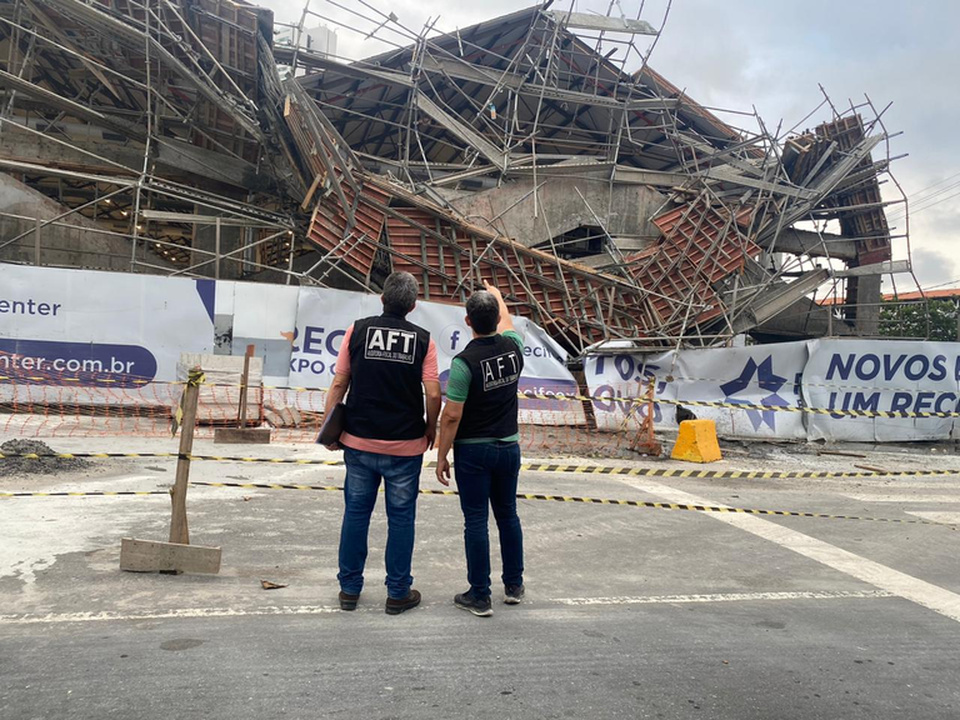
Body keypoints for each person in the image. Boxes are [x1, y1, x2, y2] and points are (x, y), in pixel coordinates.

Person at [323, 271, 441, 615]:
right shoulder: (424, 340)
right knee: (401, 519)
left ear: (382, 299)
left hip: (359, 443)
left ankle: (349, 590)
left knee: (356, 515)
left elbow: (338, 384)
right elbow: (433, 392)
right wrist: (430, 428)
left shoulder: (357, 330)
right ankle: (398, 593)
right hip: (405, 445)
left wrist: (330, 429)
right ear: (413, 305)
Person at [435, 280, 525, 617]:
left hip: (474, 451)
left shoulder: (463, 363)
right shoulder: (514, 346)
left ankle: (480, 594)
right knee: (508, 515)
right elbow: (509, 323)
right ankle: (514, 585)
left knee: (476, 521)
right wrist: (499, 297)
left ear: (467, 321)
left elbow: (452, 414)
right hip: (509, 446)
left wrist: (442, 455)